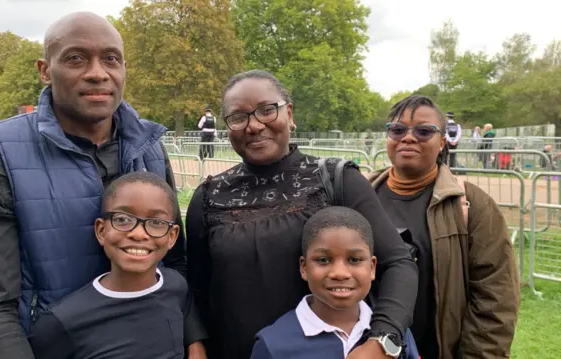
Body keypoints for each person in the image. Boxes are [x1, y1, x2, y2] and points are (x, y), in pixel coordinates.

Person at [0, 12, 205, 359]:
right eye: (76, 58)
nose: (97, 72)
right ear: (45, 70)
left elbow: (174, 260)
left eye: (111, 59)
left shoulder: (149, 145)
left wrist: (192, 339)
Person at [187, 70, 418, 359]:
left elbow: (398, 263)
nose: (254, 125)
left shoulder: (336, 180)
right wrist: (196, 342)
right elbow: (195, 286)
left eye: (266, 110)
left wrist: (382, 340)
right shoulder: (209, 196)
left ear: (290, 113)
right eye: (238, 117)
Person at [367, 95, 520, 359]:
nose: (408, 137)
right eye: (398, 129)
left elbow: (495, 299)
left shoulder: (473, 205)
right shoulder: (361, 196)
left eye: (424, 131)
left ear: (442, 141)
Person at [29, 172, 205, 359]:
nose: (138, 234)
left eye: (156, 222)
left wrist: (196, 344)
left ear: (172, 237)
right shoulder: (59, 323)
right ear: (101, 230)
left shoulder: (176, 285)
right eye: (122, 219)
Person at [250, 206, 419, 359]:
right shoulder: (273, 345)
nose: (340, 273)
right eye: (323, 260)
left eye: (354, 260)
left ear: (372, 268)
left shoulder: (393, 333)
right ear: (304, 268)